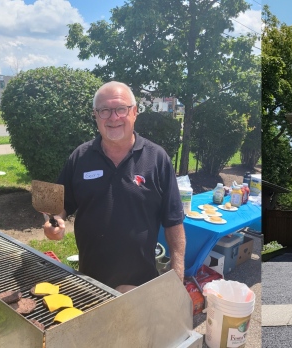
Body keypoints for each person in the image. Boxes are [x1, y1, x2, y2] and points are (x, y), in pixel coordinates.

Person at [43, 81, 186, 293]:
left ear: (135, 112)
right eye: (104, 111)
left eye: (121, 109)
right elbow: (57, 206)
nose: (113, 117)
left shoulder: (157, 158)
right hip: (90, 280)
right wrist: (53, 223)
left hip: (140, 283)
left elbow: (173, 222)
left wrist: (177, 276)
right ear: (95, 115)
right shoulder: (80, 157)